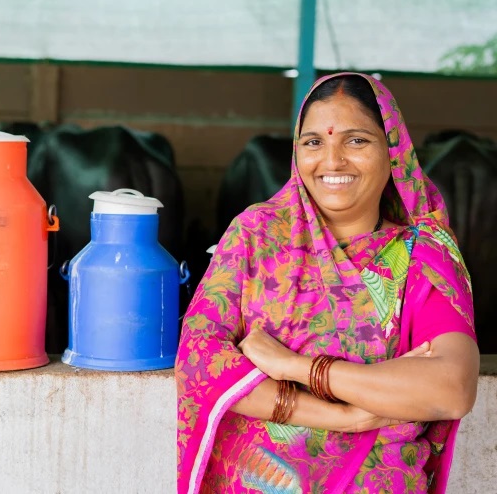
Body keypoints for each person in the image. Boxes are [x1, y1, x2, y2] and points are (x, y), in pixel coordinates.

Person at [175, 72, 479, 493]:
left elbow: (451, 388)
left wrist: (295, 367)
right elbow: (199, 362)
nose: (332, 161)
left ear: (393, 151)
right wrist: (343, 416)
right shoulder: (255, 235)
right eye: (314, 142)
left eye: (356, 141)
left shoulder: (422, 255)